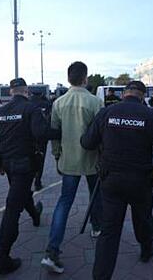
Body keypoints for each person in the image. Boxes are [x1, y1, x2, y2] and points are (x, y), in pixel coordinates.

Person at [81, 81, 153, 280]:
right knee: (143, 218)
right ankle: (146, 248)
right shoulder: (151, 116)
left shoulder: (107, 113)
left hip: (111, 180)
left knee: (109, 231)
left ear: (124, 94)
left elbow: (87, 142)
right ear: (142, 96)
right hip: (140, 181)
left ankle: (101, 276)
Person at [0, 78, 60, 275]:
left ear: (11, 92)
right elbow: (41, 133)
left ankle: (35, 214)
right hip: (25, 165)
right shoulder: (30, 109)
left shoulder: (0, 112)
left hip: (8, 164)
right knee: (12, 208)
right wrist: (62, 132)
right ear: (25, 91)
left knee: (20, 193)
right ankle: (2, 259)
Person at [41, 61, 103, 274]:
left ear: (69, 78)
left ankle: (52, 250)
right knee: (96, 195)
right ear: (85, 78)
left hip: (68, 160)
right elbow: (101, 134)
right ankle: (97, 227)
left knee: (64, 201)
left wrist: (57, 155)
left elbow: (54, 133)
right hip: (92, 159)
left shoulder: (59, 102)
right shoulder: (95, 102)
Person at [30, 90, 52, 191]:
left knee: (29, 157)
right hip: (43, 136)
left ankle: (30, 177)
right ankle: (38, 182)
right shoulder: (46, 104)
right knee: (41, 158)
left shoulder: (28, 103)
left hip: (29, 136)